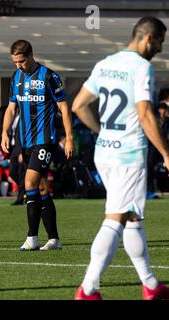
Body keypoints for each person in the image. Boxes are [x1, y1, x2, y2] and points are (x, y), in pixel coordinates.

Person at [72, 16, 169, 300]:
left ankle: (150, 284)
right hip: (128, 154)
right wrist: (165, 152)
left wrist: (102, 131)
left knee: (133, 217)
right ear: (148, 38)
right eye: (160, 43)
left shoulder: (106, 64)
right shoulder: (142, 68)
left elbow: (79, 105)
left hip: (105, 151)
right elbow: (145, 114)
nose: (160, 49)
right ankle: (88, 288)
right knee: (115, 218)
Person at [1, 39, 75, 251]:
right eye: (15, 62)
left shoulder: (49, 76)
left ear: (31, 55)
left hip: (45, 141)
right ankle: (54, 239)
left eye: (22, 61)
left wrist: (69, 138)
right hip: (25, 141)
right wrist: (5, 132)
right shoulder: (16, 77)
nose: (18, 66)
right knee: (42, 188)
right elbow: (11, 108)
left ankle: (32, 237)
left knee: (29, 183)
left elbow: (64, 107)